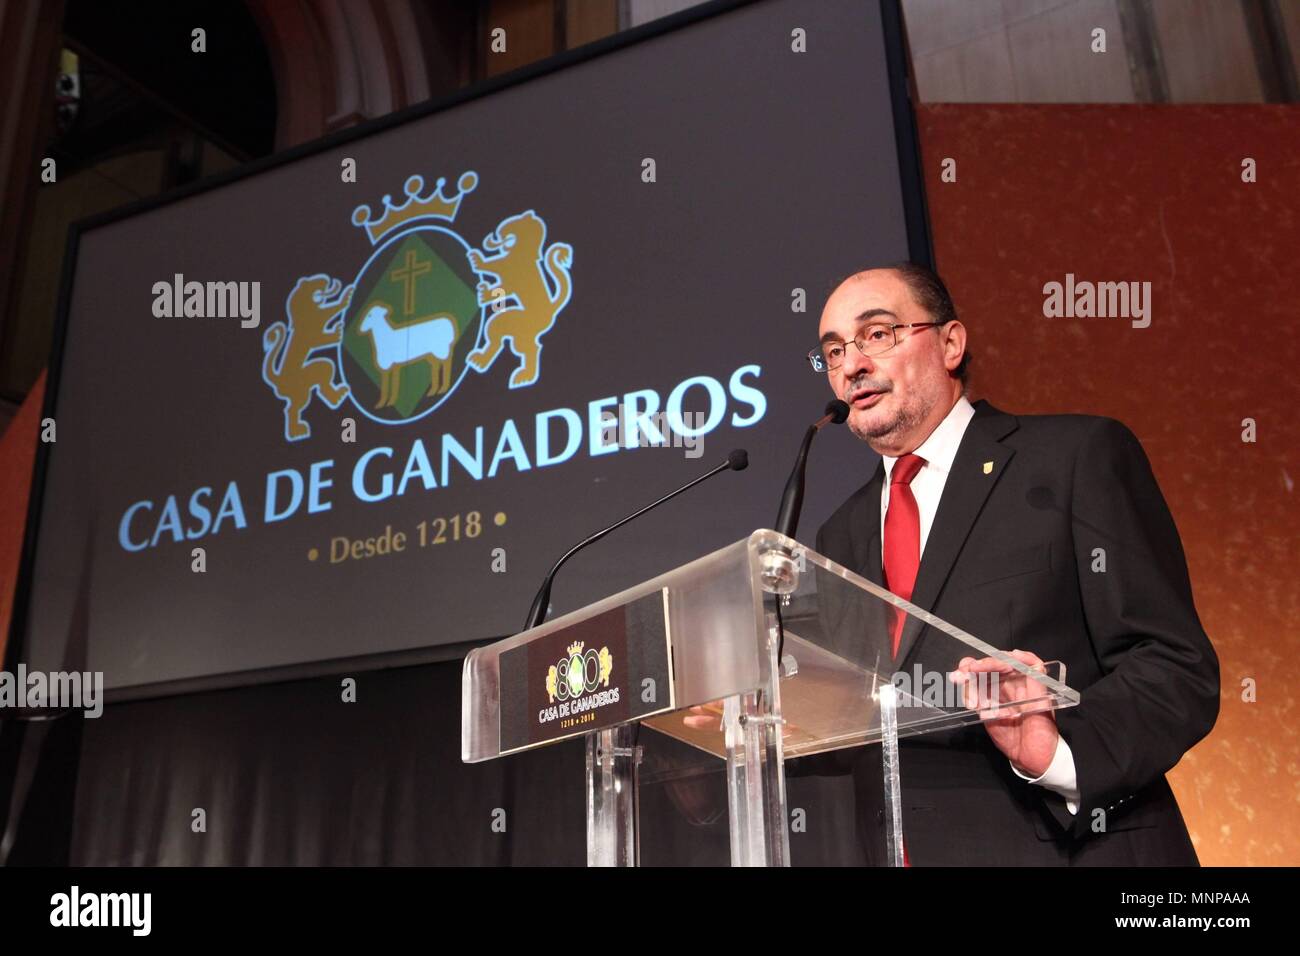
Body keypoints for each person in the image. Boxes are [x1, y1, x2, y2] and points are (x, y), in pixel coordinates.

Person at [792, 262, 1219, 865]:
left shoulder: (1072, 459)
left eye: (877, 335)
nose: (852, 365)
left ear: (950, 342)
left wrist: (1058, 754)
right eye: (833, 351)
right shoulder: (838, 536)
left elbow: (1176, 666)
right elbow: (853, 725)